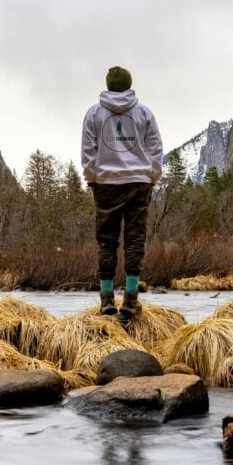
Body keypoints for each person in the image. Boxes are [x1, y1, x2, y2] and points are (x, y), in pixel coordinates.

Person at [81, 65, 164, 321]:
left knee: (107, 242)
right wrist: (152, 175)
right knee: (134, 240)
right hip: (138, 182)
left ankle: (106, 303)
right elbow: (155, 147)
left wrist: (93, 177)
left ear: (108, 86)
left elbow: (87, 150)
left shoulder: (94, 113)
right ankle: (130, 302)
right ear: (129, 85)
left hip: (106, 184)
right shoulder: (143, 112)